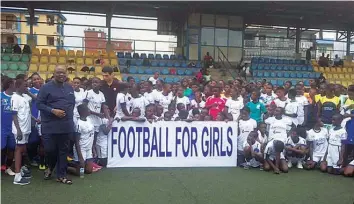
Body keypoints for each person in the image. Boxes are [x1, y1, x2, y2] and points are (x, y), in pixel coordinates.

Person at [37, 66, 75, 184]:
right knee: (50, 149)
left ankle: (61, 175)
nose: (61, 75)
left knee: (63, 150)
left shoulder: (69, 87)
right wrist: (53, 111)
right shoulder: (45, 87)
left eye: (63, 73)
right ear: (54, 74)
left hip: (65, 125)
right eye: (58, 72)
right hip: (50, 125)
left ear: (66, 74)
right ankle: (50, 167)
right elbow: (39, 104)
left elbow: (72, 103)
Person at [11, 79, 32, 185]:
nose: (26, 88)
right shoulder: (15, 97)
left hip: (26, 128)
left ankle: (21, 170)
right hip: (20, 129)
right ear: (18, 86)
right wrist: (18, 130)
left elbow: (26, 113)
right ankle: (17, 176)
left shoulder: (24, 97)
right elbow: (14, 114)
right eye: (25, 86)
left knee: (23, 149)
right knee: (19, 150)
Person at [70, 104, 95, 177]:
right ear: (83, 112)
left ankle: (77, 164)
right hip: (81, 148)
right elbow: (76, 141)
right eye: (87, 109)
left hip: (88, 148)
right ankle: (66, 167)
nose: (89, 111)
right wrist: (80, 157)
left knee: (89, 171)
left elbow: (92, 135)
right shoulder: (78, 124)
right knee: (80, 173)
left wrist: (93, 148)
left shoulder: (89, 120)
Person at [1, 78, 16, 176]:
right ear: (10, 84)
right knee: (1, 148)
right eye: (15, 84)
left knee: (11, 149)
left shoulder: (16, 97)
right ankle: (2, 165)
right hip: (1, 128)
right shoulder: (1, 96)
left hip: (13, 128)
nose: (16, 85)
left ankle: (8, 167)